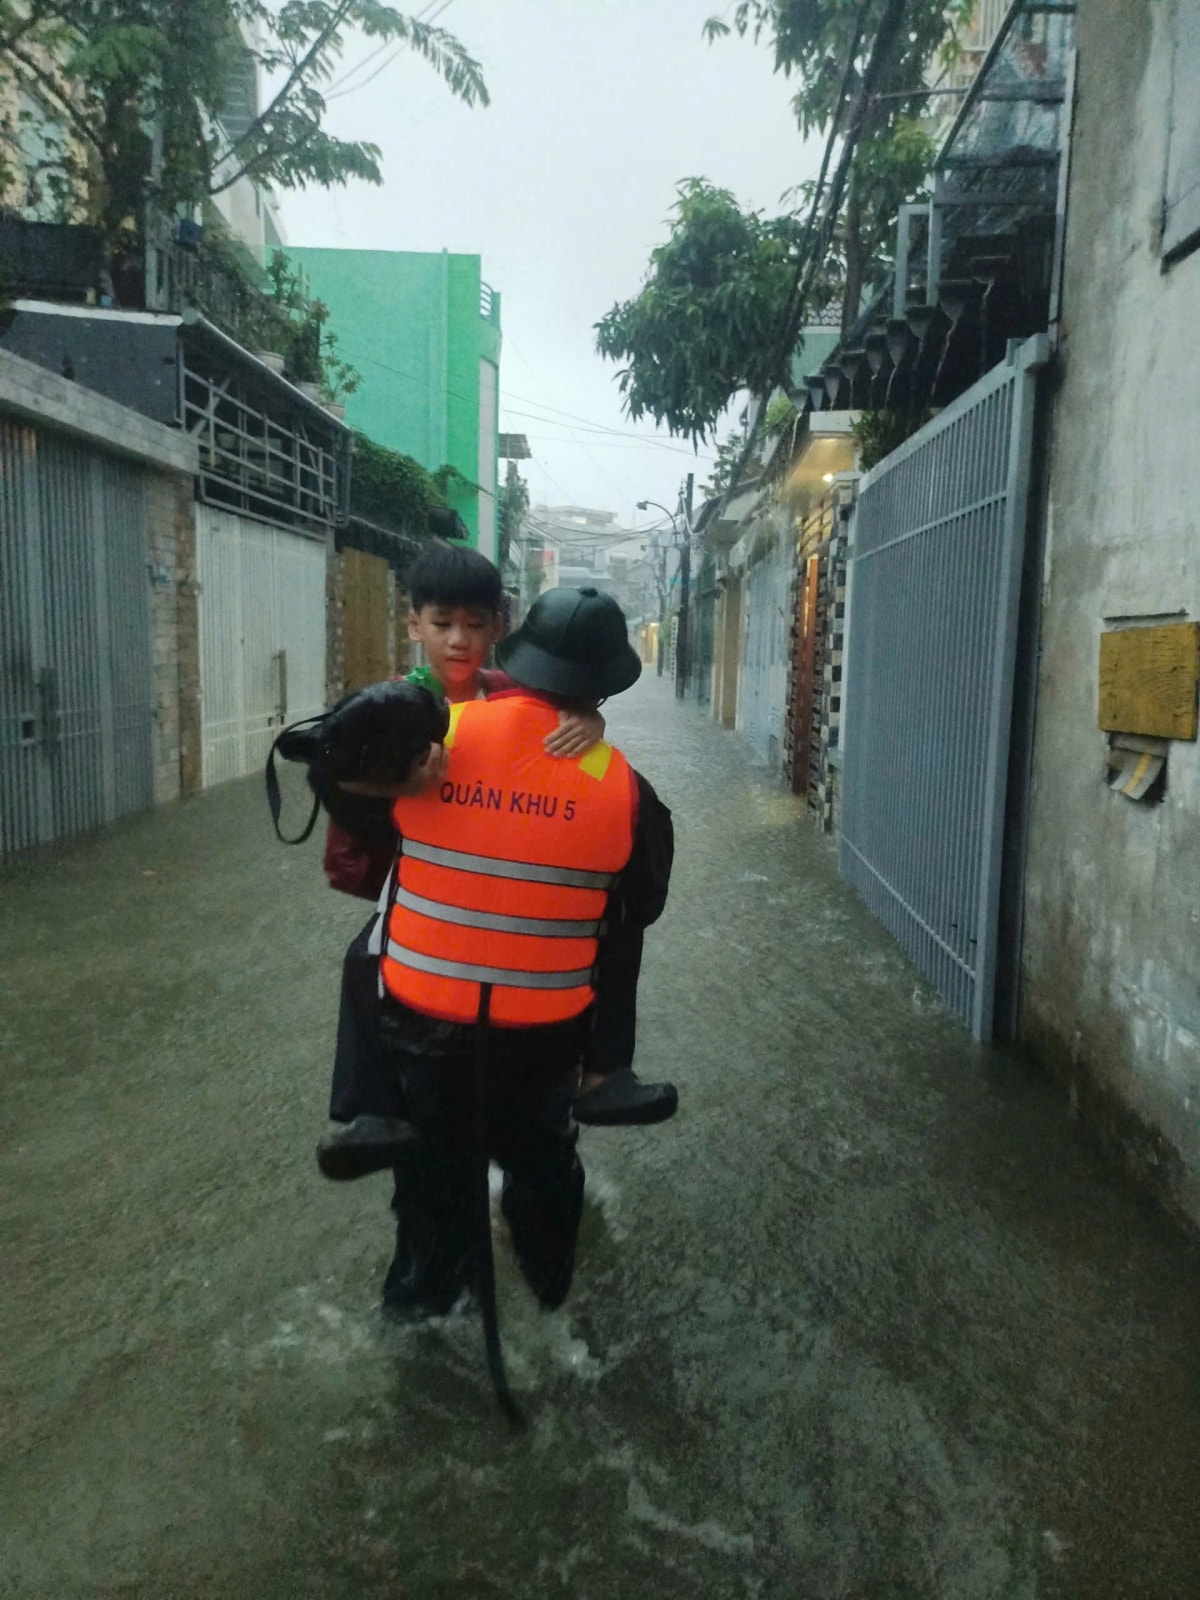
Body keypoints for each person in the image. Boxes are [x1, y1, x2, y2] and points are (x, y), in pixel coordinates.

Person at [364, 586, 674, 1320]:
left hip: (419, 1022)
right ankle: (548, 1295)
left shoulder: (438, 736)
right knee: (542, 1173)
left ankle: (421, 1308)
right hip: (540, 1044)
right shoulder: (625, 788)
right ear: (600, 685)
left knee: (432, 1187)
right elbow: (646, 906)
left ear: (515, 656)